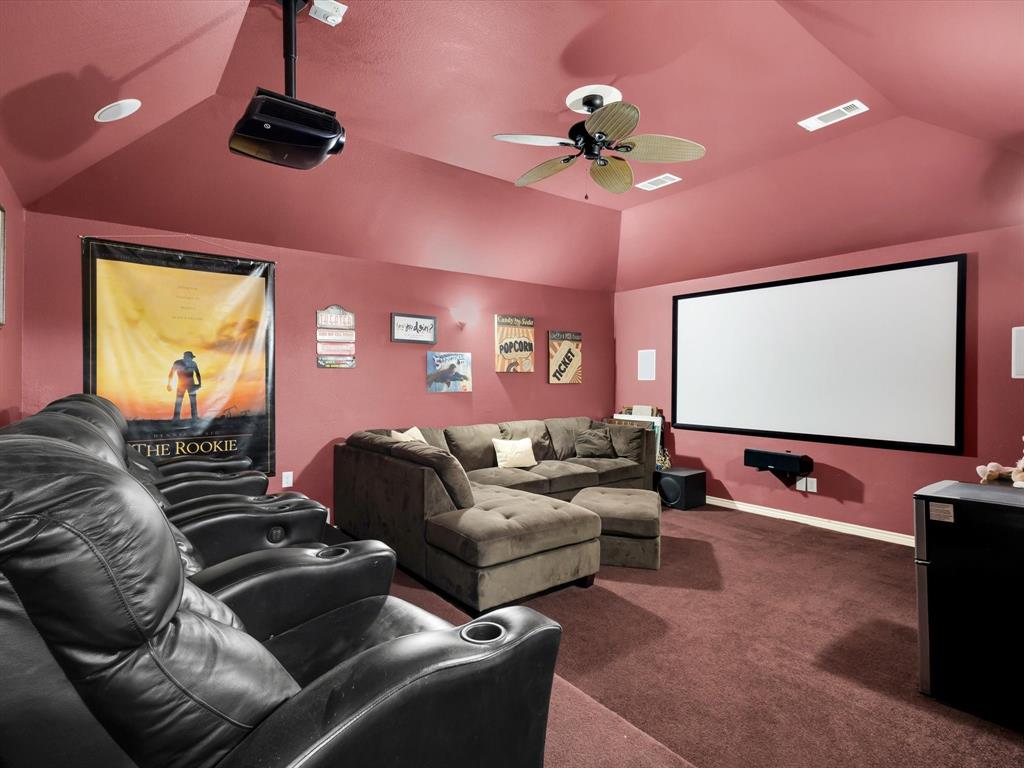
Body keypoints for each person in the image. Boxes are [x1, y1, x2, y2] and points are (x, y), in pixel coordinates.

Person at [167, 351, 202, 422]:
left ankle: (177, 418)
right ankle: (192, 417)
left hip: (184, 383)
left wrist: (169, 383)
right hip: (187, 383)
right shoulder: (191, 363)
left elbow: (171, 373)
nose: (191, 359)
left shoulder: (179, 362)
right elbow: (197, 374)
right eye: (191, 357)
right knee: (190, 401)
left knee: (181, 401)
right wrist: (199, 383)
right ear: (189, 357)